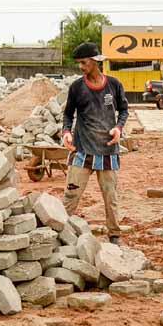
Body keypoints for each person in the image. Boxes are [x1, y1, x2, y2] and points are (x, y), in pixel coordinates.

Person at [61, 42, 129, 245]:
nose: (81, 67)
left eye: (84, 62)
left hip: (107, 151)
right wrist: (66, 132)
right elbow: (67, 114)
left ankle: (114, 235)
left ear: (95, 61)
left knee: (111, 197)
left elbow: (124, 110)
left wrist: (118, 128)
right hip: (82, 150)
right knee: (71, 195)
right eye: (79, 63)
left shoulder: (114, 85)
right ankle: (60, 232)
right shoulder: (77, 87)